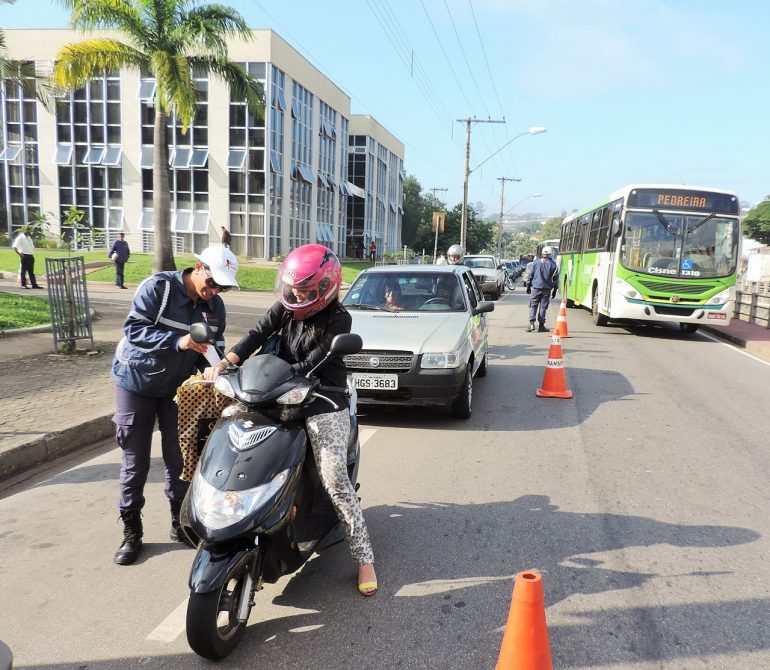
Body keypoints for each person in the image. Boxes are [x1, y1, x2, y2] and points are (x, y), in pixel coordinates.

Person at [203, 244, 378, 597]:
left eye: (307, 290)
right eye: (294, 287)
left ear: (327, 286)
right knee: (227, 430)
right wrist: (226, 362)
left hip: (322, 398)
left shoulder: (338, 319)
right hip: (276, 392)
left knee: (334, 478)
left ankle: (364, 558)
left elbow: (313, 361)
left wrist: (282, 381)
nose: (298, 295)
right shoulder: (286, 307)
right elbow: (257, 332)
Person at [110, 245, 239, 565]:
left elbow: (213, 351)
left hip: (174, 389)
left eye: (221, 287)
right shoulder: (159, 288)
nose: (213, 291)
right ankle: (132, 531)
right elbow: (134, 331)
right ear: (197, 268)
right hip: (136, 382)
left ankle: (178, 524)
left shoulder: (215, 307)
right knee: (135, 461)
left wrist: (216, 370)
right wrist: (178, 342)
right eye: (211, 283)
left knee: (179, 457)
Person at [525, 245, 559, 332]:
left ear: (542, 253)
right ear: (550, 254)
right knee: (543, 307)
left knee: (533, 305)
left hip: (535, 288)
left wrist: (528, 286)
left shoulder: (536, 263)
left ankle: (532, 324)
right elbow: (555, 279)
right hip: (547, 289)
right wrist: (555, 290)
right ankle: (541, 326)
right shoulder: (553, 265)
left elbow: (530, 275)